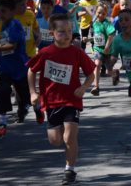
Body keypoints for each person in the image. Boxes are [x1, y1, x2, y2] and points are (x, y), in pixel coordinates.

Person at [27, 13, 95, 185]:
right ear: (51, 33)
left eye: (69, 31)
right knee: (55, 141)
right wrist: (33, 93)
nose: (66, 35)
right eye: (61, 32)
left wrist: (84, 87)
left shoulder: (77, 52)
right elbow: (31, 71)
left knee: (69, 138)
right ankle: (39, 111)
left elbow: (90, 74)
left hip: (72, 100)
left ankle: (69, 170)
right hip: (50, 101)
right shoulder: (45, 53)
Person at [0, 0, 32, 127]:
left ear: (12, 11)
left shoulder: (15, 24)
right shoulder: (4, 24)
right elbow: (0, 38)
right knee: (3, 90)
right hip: (5, 67)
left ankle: (29, 109)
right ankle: (2, 120)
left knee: (24, 96)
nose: (0, 14)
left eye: (3, 11)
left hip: (19, 67)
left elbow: (11, 45)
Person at [89, 3, 115, 96]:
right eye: (99, 12)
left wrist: (107, 47)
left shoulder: (106, 24)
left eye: (103, 14)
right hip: (97, 49)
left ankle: (115, 74)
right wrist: (88, 39)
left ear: (106, 14)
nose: (100, 15)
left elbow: (111, 35)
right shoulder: (95, 23)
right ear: (95, 12)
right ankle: (96, 86)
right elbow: (97, 37)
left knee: (109, 71)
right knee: (97, 65)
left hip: (107, 50)